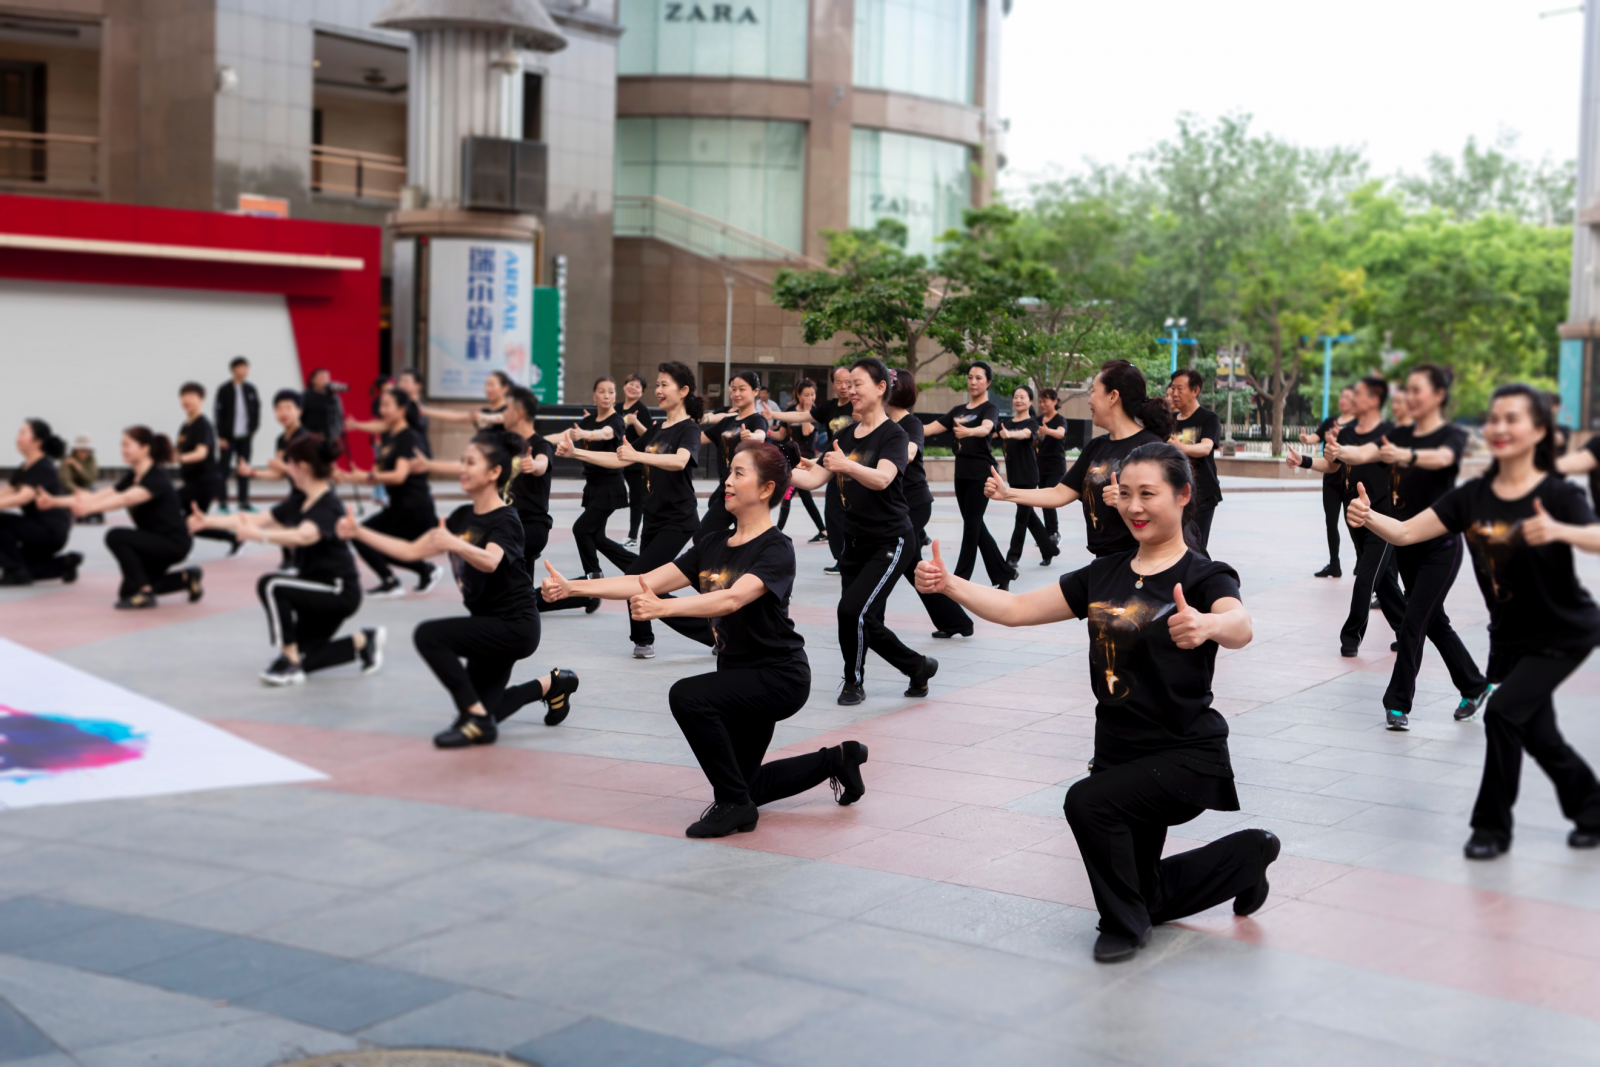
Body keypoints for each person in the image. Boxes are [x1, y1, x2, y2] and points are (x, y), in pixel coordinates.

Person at [916, 441, 1276, 964]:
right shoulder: (1103, 573)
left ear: (1182, 497)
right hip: (1118, 750)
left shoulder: (1204, 575)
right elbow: (1017, 609)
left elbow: (1240, 625)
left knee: (1086, 802)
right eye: (1124, 493)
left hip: (1184, 754)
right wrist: (951, 586)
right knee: (1144, 889)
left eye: (1148, 494)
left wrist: (1208, 625)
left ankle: (1123, 927)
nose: (1134, 506)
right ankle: (1246, 858)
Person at [543, 440, 870, 838]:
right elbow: (643, 580)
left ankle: (734, 808)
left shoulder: (776, 548)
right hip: (737, 672)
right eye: (728, 471)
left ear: (767, 490)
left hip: (778, 676)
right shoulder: (712, 543)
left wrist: (665, 609)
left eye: (739, 473)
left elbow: (733, 598)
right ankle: (837, 760)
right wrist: (575, 589)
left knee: (688, 696)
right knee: (745, 784)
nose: (727, 481)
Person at [1347, 383, 1600, 860]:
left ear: (1539, 430)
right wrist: (1368, 517)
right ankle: (1591, 808)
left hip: (1563, 630)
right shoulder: (1473, 496)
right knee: (1539, 732)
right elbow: (1404, 531)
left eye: (1513, 419)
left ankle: (1491, 828)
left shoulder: (1557, 494)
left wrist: (1560, 530)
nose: (1499, 428)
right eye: (1494, 418)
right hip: (1512, 636)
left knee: (1504, 715)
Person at [342, 429, 580, 748]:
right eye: (462, 462)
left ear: (494, 472)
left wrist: (455, 544)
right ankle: (552, 684)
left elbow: (491, 561)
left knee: (429, 635)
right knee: (485, 708)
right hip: (489, 623)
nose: (463, 469)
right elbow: (411, 552)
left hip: (515, 626)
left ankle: (478, 721)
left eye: (471, 462)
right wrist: (359, 532)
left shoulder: (507, 519)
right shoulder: (462, 517)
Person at [1311, 366, 1489, 729]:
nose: (1409, 396)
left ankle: (1397, 704)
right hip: (1405, 542)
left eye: (1418, 390)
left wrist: (1406, 456)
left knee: (1412, 622)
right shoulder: (1398, 433)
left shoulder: (1450, 435)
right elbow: (1366, 454)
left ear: (1439, 395)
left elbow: (1442, 459)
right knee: (1434, 621)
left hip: (1441, 545)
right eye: (1406, 390)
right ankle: (1474, 684)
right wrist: (1339, 449)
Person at [791, 358, 939, 706]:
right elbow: (813, 479)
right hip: (854, 541)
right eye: (848, 384)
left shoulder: (895, 435)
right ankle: (918, 666)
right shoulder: (844, 436)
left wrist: (846, 464)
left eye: (858, 384)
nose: (850, 390)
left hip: (892, 540)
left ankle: (852, 682)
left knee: (850, 611)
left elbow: (884, 478)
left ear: (881, 388)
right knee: (865, 619)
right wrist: (776, 470)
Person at [192, 434, 383, 686]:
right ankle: (362, 642)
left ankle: (288, 658)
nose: (287, 469)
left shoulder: (329, 505)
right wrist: (208, 521)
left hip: (337, 590)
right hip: (314, 587)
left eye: (289, 463)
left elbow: (303, 535)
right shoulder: (299, 500)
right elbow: (257, 519)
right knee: (308, 656)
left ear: (301, 467)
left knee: (272, 585)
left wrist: (258, 536)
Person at [987, 360, 1172, 561]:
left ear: (1113, 396)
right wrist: (1006, 493)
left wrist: (1127, 500)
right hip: (1104, 560)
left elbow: (1172, 512)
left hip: (1140, 562)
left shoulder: (1152, 448)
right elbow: (1059, 494)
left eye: (1093, 391)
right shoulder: (1096, 447)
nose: (1089, 400)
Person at [601, 361, 715, 659]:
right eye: (658, 384)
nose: (659, 391)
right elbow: (620, 459)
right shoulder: (656, 427)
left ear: (684, 390)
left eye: (665, 384)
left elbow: (679, 461)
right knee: (645, 584)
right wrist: (574, 451)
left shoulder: (688, 428)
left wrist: (638, 454)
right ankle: (650, 637)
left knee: (636, 578)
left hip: (678, 520)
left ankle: (698, 633)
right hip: (653, 519)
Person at [1288, 375, 1406, 656]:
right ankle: (1406, 629)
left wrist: (1342, 450)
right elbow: (1333, 466)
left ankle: (1350, 636)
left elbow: (1361, 455)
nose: (1353, 398)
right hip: (1355, 516)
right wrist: (1303, 460)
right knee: (1383, 579)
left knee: (1366, 577)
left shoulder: (1389, 433)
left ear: (1375, 400)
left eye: (1361, 394)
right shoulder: (1347, 431)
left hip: (1384, 519)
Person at [39, 427, 201, 609]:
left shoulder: (156, 478)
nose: (122, 449)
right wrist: (53, 501)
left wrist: (89, 509)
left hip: (173, 543)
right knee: (127, 591)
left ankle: (145, 593)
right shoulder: (134, 476)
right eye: (121, 445)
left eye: (127, 445)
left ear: (145, 448)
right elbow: (102, 494)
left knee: (116, 536)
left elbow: (125, 499)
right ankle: (187, 578)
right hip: (153, 541)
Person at [888, 368, 974, 640]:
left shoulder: (910, 423)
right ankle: (956, 620)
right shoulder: (883, 424)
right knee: (912, 567)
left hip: (914, 505)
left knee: (896, 563)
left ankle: (867, 619)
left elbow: (911, 451)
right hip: (898, 507)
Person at [342, 388, 443, 597]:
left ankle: (399, 579)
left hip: (414, 508)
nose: (382, 410)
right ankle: (421, 572)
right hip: (399, 506)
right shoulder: (390, 437)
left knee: (364, 537)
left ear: (402, 409)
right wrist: (351, 477)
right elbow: (378, 475)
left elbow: (399, 476)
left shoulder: (408, 437)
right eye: (381, 405)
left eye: (387, 405)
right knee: (366, 538)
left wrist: (368, 476)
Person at [922, 362, 1012, 588]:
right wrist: (901, 427)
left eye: (979, 378)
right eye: (970, 377)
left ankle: (959, 580)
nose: (973, 382)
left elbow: (987, 428)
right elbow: (931, 427)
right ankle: (1002, 574)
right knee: (975, 525)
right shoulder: (958, 410)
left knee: (971, 526)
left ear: (988, 382)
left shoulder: (989, 408)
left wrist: (968, 431)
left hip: (982, 472)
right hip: (961, 473)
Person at [558, 376, 634, 578]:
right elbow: (568, 435)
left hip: (610, 487)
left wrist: (586, 434)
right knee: (597, 537)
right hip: (592, 487)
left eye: (611, 391)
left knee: (581, 529)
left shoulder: (616, 421)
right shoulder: (587, 421)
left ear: (615, 396)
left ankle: (593, 574)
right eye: (602, 391)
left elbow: (606, 434)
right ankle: (636, 565)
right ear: (594, 395)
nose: (606, 395)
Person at [0, 419, 80, 586]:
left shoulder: (43, 467)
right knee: (25, 563)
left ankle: (16, 572)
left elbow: (23, 496)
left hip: (49, 531)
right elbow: (6, 492)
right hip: (36, 529)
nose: (17, 438)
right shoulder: (25, 467)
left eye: (23, 433)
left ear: (38, 442)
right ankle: (65, 564)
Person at [697, 370, 768, 542]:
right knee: (702, 535)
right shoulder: (727, 422)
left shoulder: (756, 420)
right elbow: (698, 439)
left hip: (745, 491)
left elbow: (761, 434)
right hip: (726, 489)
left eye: (742, 389)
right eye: (733, 389)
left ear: (755, 391)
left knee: (747, 538)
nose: (736, 394)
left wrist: (752, 437)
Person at [996, 384, 1056, 568]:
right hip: (1014, 477)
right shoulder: (1005, 424)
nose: (1018, 400)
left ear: (1030, 401)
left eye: (1022, 397)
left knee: (1021, 518)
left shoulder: (1032, 423)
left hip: (1029, 477)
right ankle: (1049, 549)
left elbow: (1026, 434)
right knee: (1029, 517)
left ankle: (1013, 556)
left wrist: (1010, 434)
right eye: (1015, 397)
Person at [175, 382, 238, 552]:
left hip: (204, 482)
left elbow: (201, 453)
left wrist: (178, 457)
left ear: (201, 400)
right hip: (192, 482)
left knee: (173, 505)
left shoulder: (203, 424)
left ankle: (236, 538)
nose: (186, 400)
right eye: (183, 397)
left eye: (191, 397)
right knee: (193, 523)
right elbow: (179, 451)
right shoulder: (185, 425)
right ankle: (235, 538)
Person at [1167, 368, 1224, 552]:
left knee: (1196, 546)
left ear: (1195, 390)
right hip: (1174, 493)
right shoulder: (1170, 420)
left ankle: (1199, 578)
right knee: (1174, 545)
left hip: (1202, 494)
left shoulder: (1209, 418)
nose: (1175, 393)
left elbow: (1206, 447)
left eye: (1180, 389)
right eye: (1172, 389)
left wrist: (1180, 448)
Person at [1302, 386, 1356, 578]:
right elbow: (1315, 437)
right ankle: (1334, 564)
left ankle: (1362, 560)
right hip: (1331, 478)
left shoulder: (1358, 425)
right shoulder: (1330, 422)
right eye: (1342, 396)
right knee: (1331, 522)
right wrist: (1306, 439)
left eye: (1348, 397)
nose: (1343, 400)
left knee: (1354, 523)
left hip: (1351, 480)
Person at [775, 378, 827, 541]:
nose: (810, 398)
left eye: (812, 394)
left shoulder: (815, 412)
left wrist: (807, 410)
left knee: (787, 495)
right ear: (798, 395)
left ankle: (777, 531)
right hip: (792, 459)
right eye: (806, 395)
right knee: (806, 498)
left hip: (806, 462)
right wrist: (765, 434)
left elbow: (806, 432)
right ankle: (823, 531)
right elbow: (781, 434)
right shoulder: (790, 410)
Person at [214, 356, 260, 513]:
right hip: (228, 438)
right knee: (224, 471)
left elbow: (256, 411)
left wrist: (253, 430)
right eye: (242, 367)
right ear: (234, 369)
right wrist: (220, 436)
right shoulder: (224, 389)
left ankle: (243, 501)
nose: (245, 371)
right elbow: (218, 413)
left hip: (245, 438)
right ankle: (223, 502)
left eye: (247, 368)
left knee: (244, 469)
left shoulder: (251, 389)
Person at [619, 373, 652, 548]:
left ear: (642, 392)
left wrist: (635, 422)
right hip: (616, 459)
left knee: (637, 499)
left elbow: (648, 435)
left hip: (635, 462)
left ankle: (633, 537)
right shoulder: (616, 407)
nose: (633, 387)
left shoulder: (642, 409)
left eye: (638, 386)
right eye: (630, 384)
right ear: (624, 386)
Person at [1036, 388, 1069, 547]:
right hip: (1040, 465)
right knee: (1043, 501)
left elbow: (1060, 434)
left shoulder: (1060, 420)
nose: (1042, 404)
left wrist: (1046, 431)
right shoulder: (1038, 420)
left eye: (1045, 401)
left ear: (1055, 401)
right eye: (1040, 401)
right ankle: (1048, 534)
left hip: (1056, 466)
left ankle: (1054, 532)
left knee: (1049, 497)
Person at [300, 368, 345, 441]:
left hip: (331, 437)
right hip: (312, 438)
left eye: (327, 378)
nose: (325, 381)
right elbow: (300, 418)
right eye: (322, 378)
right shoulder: (305, 396)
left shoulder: (333, 396)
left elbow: (339, 416)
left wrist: (336, 433)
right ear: (313, 380)